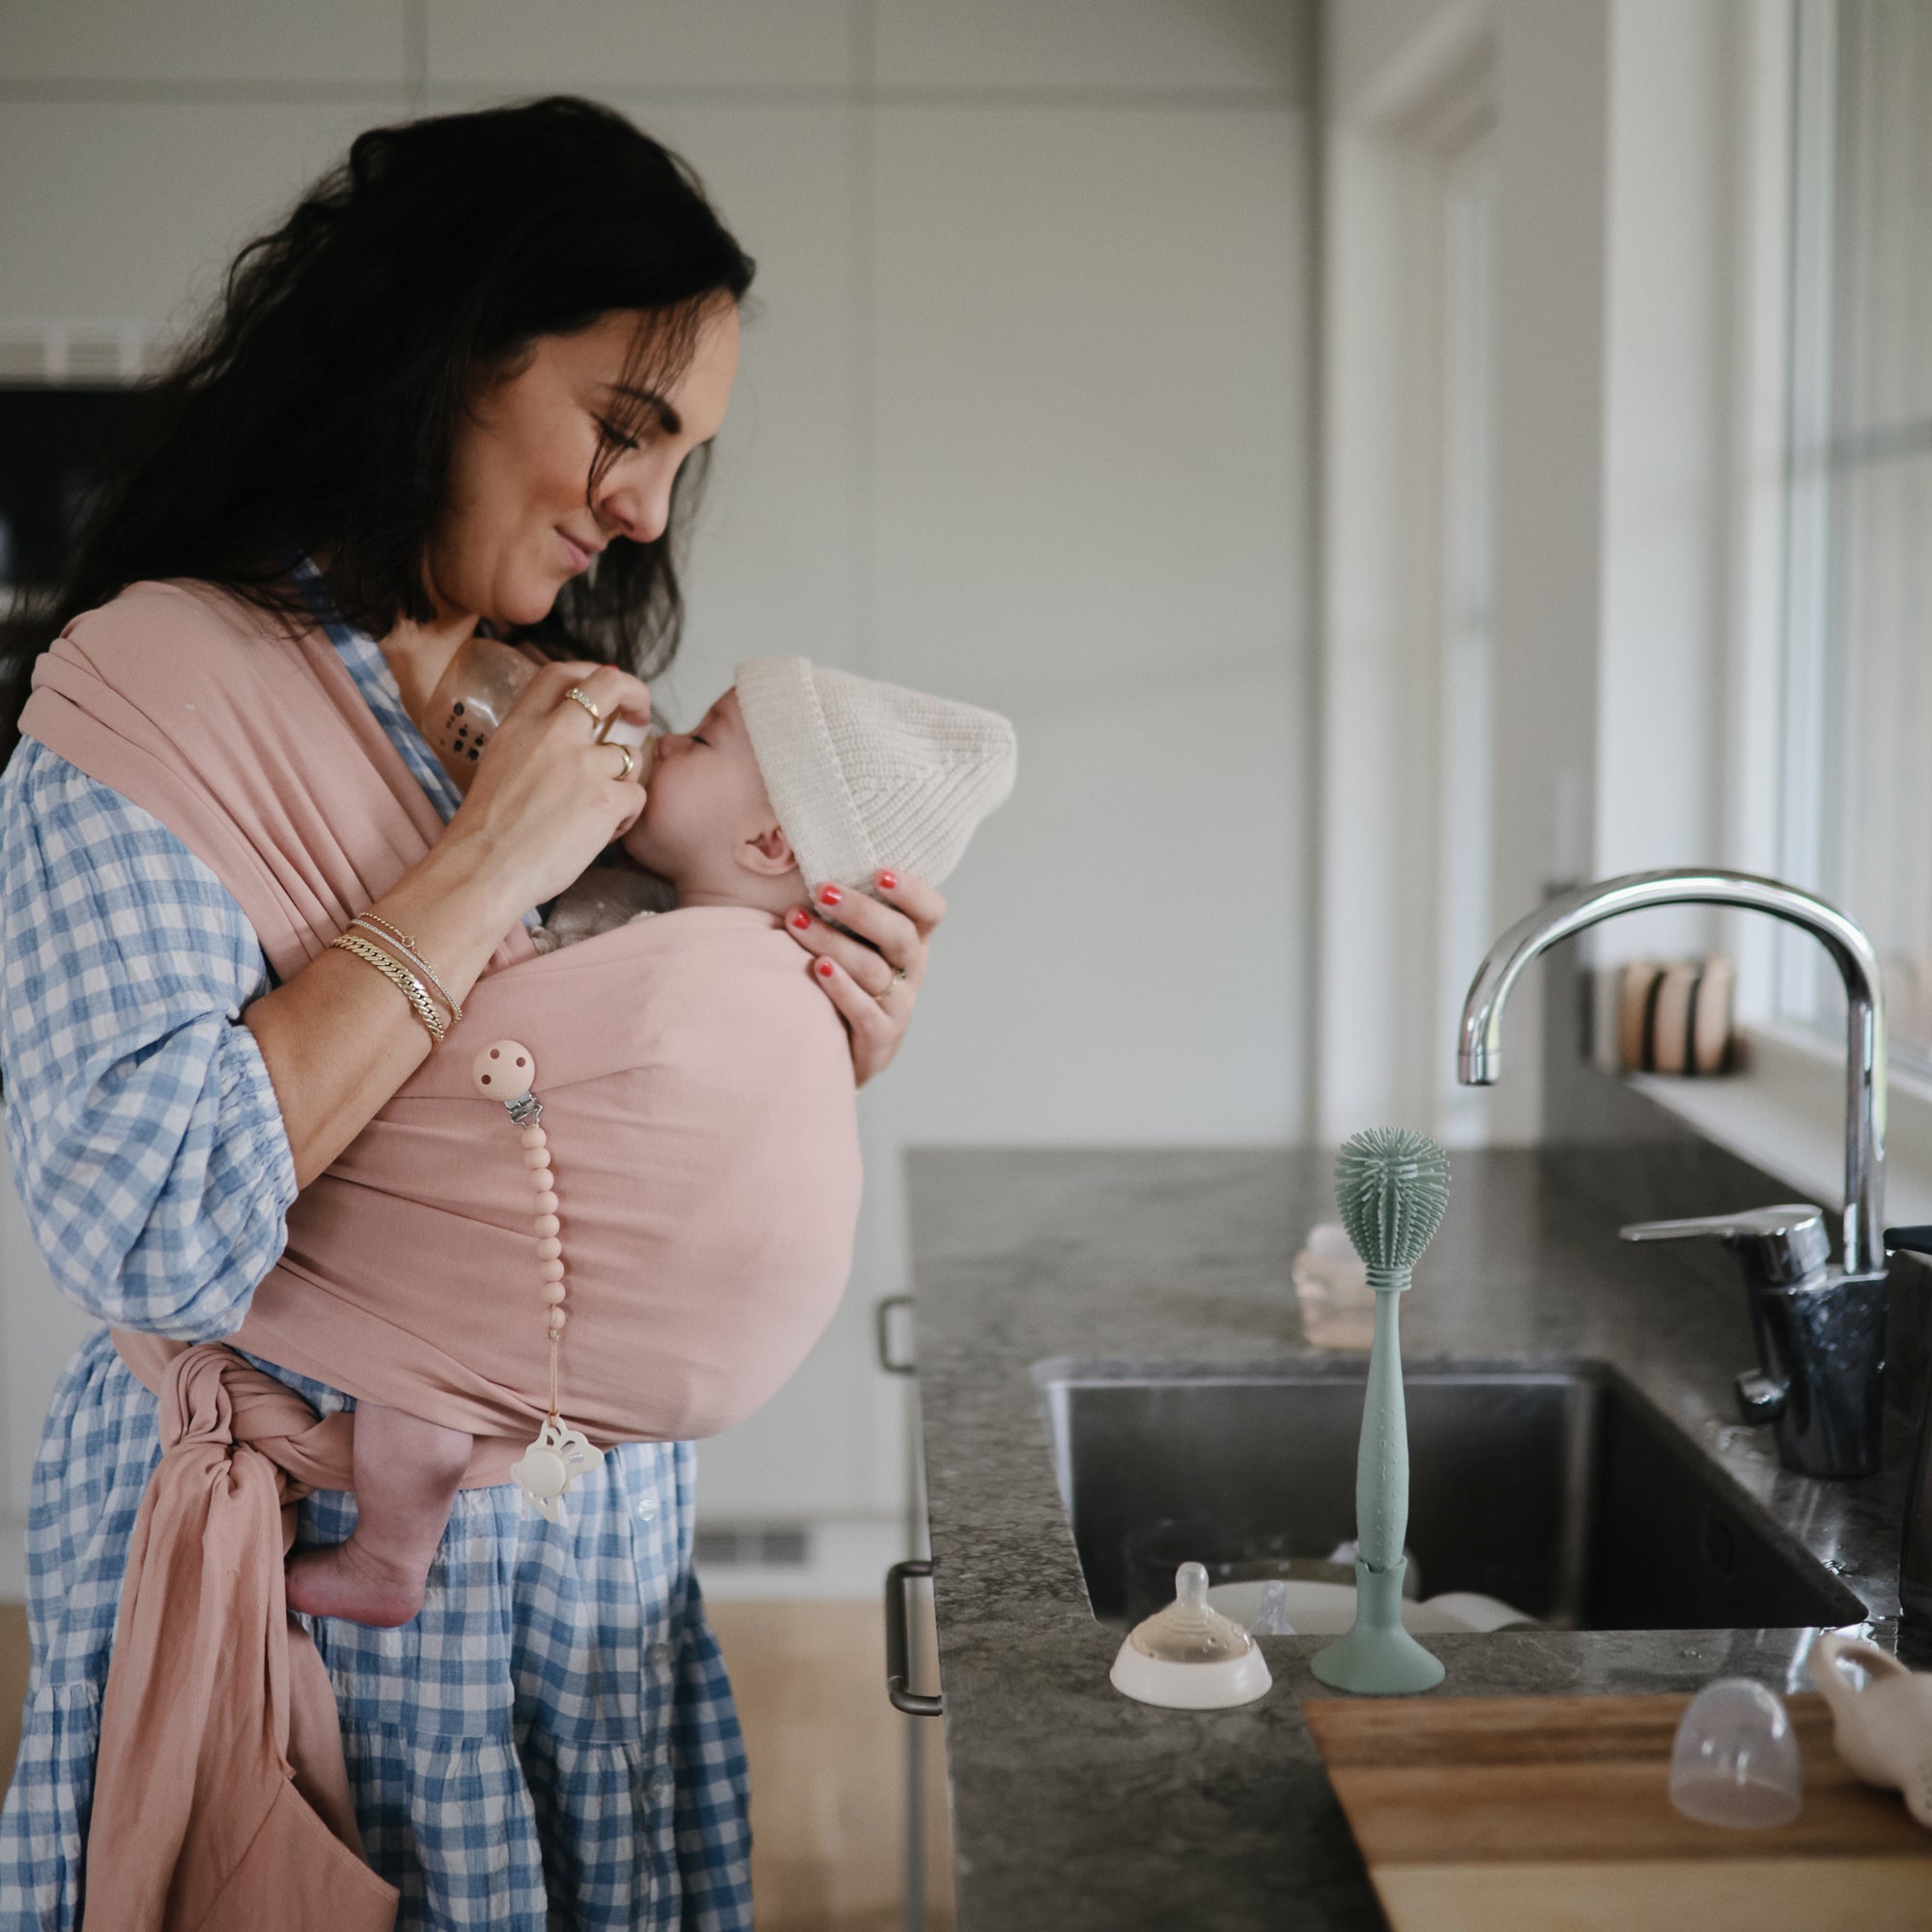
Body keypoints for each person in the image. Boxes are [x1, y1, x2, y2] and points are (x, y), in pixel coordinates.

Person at [0, 98, 946, 1930]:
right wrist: (481, 864)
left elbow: (572, 1132)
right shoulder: (144, 692)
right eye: (623, 425)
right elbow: (136, 1216)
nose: (647, 508)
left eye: (683, 458)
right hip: (313, 1597)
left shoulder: (568, 712)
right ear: (435, 354)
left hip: (595, 1589)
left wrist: (820, 1027)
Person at [286, 663, 1016, 1629]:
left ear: (767, 841)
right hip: (518, 1263)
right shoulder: (642, 907)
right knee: (421, 1396)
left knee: (419, 1384)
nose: (664, 739)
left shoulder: (750, 975)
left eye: (700, 739)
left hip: (575, 1315)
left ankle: (389, 1550)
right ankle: (393, 1553)